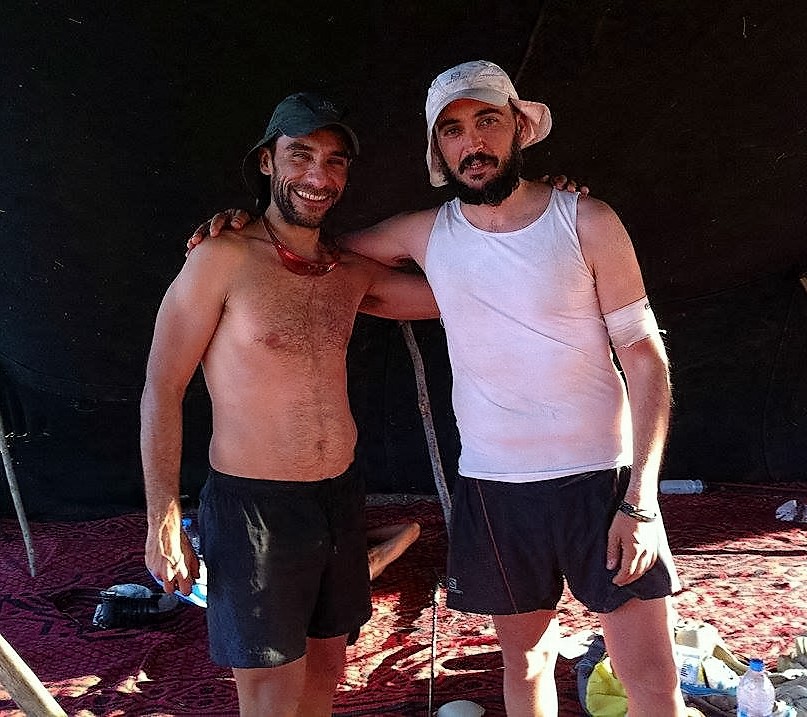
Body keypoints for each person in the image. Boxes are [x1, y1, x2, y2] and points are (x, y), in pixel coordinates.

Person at [192, 61, 685, 716]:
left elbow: (647, 361)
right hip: (494, 485)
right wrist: (240, 226)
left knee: (649, 676)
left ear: (518, 127)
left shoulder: (586, 220)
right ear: (437, 149)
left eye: (487, 121)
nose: (472, 142)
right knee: (526, 662)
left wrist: (640, 501)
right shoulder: (423, 233)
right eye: (452, 130)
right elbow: (306, 245)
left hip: (602, 479)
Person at [141, 92, 438, 717]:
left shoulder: (346, 270)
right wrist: (162, 516)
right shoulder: (221, 258)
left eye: (334, 161)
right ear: (266, 162)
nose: (317, 176)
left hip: (338, 498)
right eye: (300, 155)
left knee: (327, 670)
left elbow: (458, 293)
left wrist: (535, 214)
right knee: (272, 694)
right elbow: (162, 388)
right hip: (255, 508)